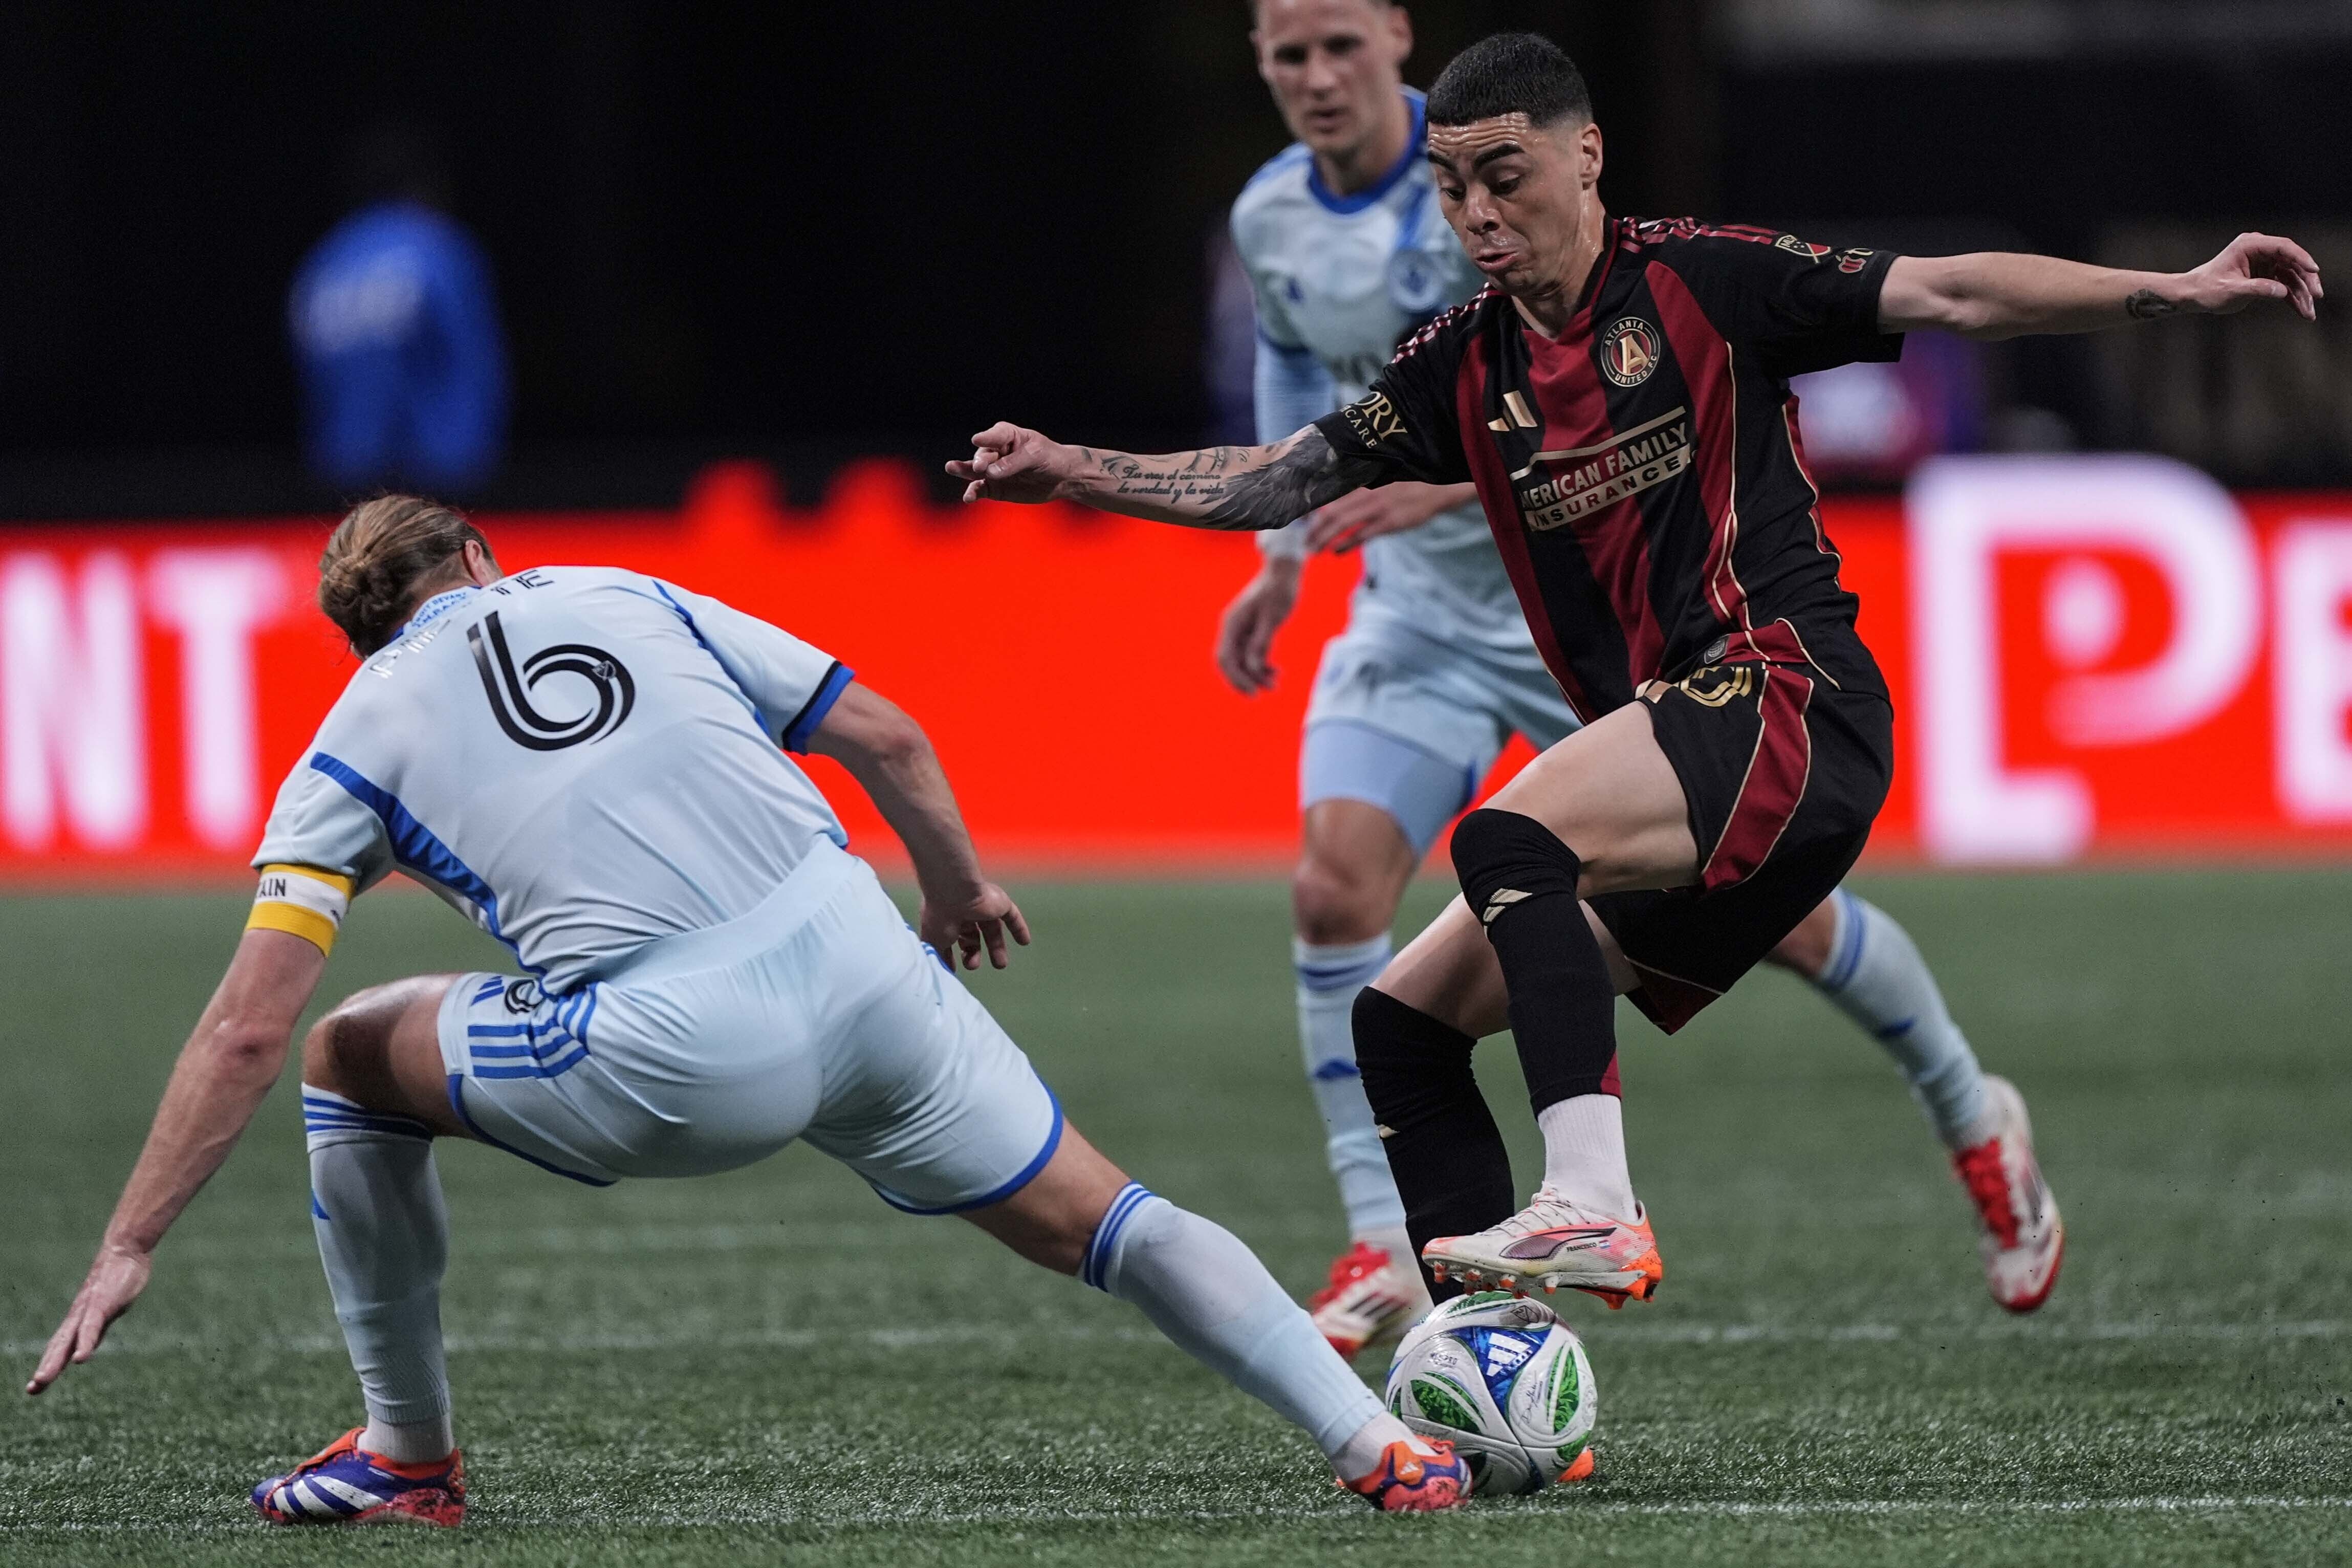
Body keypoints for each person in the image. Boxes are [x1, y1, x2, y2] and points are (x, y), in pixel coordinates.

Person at [950, 33, 2319, 1315]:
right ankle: (1488, 1357)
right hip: (1673, 749)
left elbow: (1952, 287)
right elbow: (1277, 478)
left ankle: (1600, 1196)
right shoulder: (1457, 364)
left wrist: (2173, 288)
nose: (1478, 215)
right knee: (1401, 1023)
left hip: (1790, 699)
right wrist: (1069, 468)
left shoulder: (1703, 280)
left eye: (1505, 176)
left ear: (1585, 155)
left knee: (1507, 837)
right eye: (1453, 187)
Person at [24, 497, 1475, 1518]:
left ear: (358, 633)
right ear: (479, 558)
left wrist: (130, 1243)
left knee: (346, 1059)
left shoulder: (346, 745)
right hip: (860, 957)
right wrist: (958, 889)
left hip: (674, 1052)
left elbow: (251, 1029)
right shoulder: (623, 590)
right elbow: (887, 732)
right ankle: (1378, 1447)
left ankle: (407, 1455)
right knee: (1108, 1217)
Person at [1214, 0, 2063, 1349]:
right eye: (1284, 55)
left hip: (1611, 624)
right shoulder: (1273, 219)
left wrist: (1432, 486)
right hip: (1422, 628)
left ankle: (1971, 1113)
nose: (1315, 79)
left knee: (1777, 922)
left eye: (1337, 47)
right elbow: (1297, 376)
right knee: (1336, 891)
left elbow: (1575, 398)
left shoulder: (1510, 160)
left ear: (1393, 38)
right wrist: (1278, 562)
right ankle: (1386, 1238)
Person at [290, 126, 509, 494]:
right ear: (426, 185)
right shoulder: (438, 247)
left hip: (345, 499)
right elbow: (479, 365)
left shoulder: (324, 263)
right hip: (440, 492)